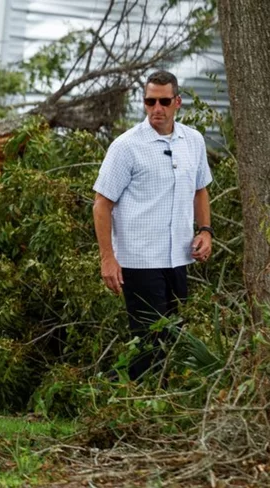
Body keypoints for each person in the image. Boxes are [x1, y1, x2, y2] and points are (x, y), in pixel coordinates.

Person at [92, 70, 213, 380]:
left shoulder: (193, 141)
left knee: (173, 337)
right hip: (139, 261)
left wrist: (205, 231)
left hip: (178, 258)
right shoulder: (126, 146)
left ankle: (138, 396)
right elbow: (102, 204)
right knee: (149, 340)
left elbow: (201, 189)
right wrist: (108, 258)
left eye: (163, 101)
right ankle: (135, 404)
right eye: (149, 101)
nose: (156, 109)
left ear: (177, 102)